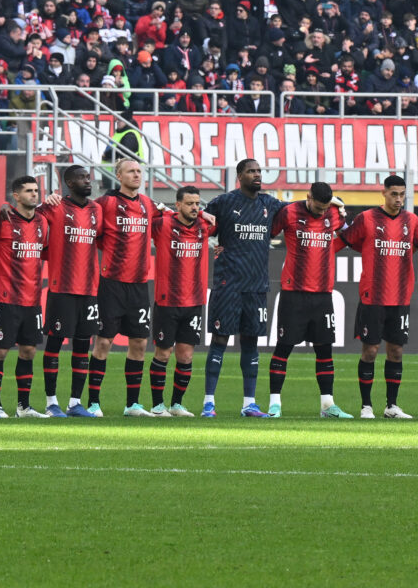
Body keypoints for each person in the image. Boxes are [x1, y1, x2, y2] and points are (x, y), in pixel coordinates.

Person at [202, 158, 287, 418]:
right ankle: (208, 403)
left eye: (259, 171)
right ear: (240, 176)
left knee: (251, 342)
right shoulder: (224, 202)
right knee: (219, 340)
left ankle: (249, 403)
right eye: (251, 171)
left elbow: (298, 212)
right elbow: (201, 220)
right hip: (228, 284)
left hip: (256, 286)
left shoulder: (270, 204)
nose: (257, 175)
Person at [341, 175, 418, 419]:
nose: (399, 199)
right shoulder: (367, 218)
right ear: (384, 193)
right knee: (370, 351)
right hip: (373, 297)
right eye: (394, 194)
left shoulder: (411, 221)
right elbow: (346, 240)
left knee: (396, 351)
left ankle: (391, 406)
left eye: (402, 194)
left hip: (400, 298)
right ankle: (366, 406)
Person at [266, 182, 352, 418]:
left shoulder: (333, 213)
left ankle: (327, 405)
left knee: (325, 350)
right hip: (294, 292)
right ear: (308, 197)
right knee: (283, 348)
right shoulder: (290, 213)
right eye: (318, 206)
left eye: (326, 207)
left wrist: (342, 213)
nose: (322, 211)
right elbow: (267, 233)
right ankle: (275, 404)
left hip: (323, 293)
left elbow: (347, 233)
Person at [93, 158, 167, 417]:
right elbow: (92, 230)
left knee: (139, 342)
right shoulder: (106, 203)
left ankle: (132, 404)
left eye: (139, 171)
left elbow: (173, 215)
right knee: (103, 342)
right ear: (119, 176)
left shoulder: (148, 204)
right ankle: (93, 403)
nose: (136, 175)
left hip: (138, 285)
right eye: (131, 171)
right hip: (111, 283)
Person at [36, 165, 103, 418]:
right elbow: (29, 218)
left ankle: (75, 403)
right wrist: (44, 201)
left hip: (89, 289)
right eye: (82, 178)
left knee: (82, 345)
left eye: (88, 177)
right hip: (61, 287)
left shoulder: (97, 210)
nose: (88, 181)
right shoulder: (54, 207)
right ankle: (51, 402)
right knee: (54, 343)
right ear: (69, 183)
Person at [146, 186, 217, 417]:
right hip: (168, 300)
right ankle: (158, 406)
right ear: (177, 205)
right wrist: (164, 212)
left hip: (194, 301)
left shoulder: (204, 226)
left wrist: (205, 214)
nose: (195, 207)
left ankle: (176, 404)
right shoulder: (163, 224)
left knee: (186, 355)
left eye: (197, 203)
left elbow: (217, 221)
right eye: (189, 203)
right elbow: (145, 209)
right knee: (163, 354)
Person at [0, 176, 51, 418]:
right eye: (28, 191)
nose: (34, 194)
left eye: (36, 190)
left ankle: (23, 407)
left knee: (28, 351)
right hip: (6, 298)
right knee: (1, 350)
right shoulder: (2, 221)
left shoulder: (42, 223)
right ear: (16, 196)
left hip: (32, 299)